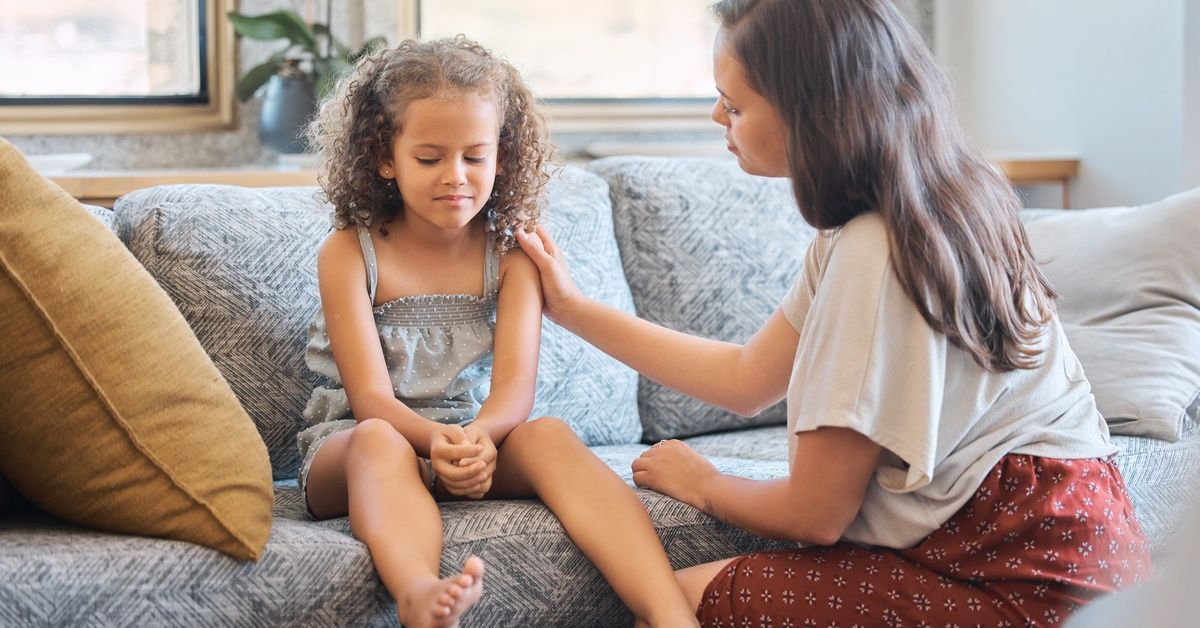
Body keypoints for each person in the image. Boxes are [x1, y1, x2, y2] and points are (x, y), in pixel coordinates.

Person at [515, 0, 1151, 625]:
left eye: (735, 105)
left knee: (673, 602)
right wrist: (573, 309)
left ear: (812, 113)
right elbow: (744, 380)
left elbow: (815, 515)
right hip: (1087, 548)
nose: (717, 116)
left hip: (1019, 577)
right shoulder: (937, 199)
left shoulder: (875, 252)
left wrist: (702, 482)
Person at [299, 36, 697, 628]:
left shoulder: (510, 256)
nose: (455, 177)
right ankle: (418, 595)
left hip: (470, 439)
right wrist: (438, 443)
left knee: (550, 436)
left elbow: (514, 387)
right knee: (381, 439)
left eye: (475, 157)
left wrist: (478, 440)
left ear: (503, 156)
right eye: (430, 159)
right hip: (359, 445)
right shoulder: (349, 253)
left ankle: (669, 614)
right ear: (386, 157)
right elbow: (371, 400)